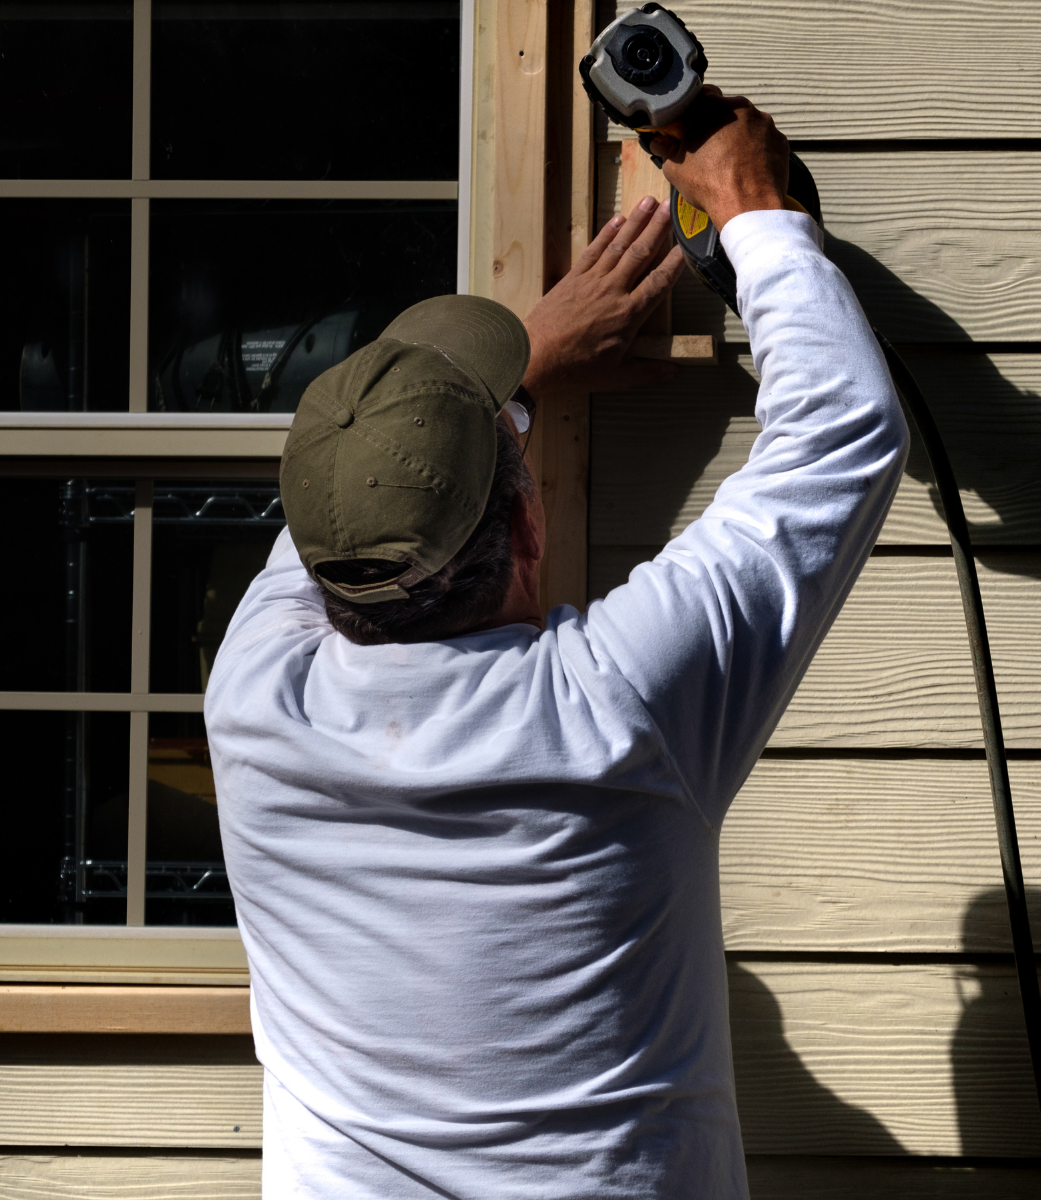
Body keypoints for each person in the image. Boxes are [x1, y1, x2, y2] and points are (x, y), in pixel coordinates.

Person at [204, 92, 907, 1198]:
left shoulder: (250, 694)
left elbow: (357, 516)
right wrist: (754, 207)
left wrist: (523, 364)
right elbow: (841, 433)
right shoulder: (614, 709)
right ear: (530, 526)